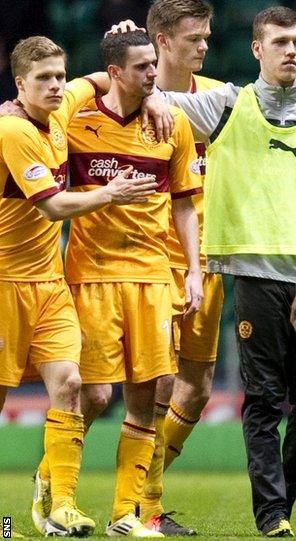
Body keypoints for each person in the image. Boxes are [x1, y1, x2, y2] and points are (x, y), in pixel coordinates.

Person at [144, 5, 296, 538]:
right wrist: (125, 51)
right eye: (280, 42)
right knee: (264, 400)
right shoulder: (227, 105)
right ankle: (273, 517)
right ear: (256, 50)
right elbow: (149, 98)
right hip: (253, 274)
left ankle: (280, 501)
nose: (291, 50)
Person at [0, 35, 158, 537]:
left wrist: (149, 91)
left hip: (49, 282)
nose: (55, 86)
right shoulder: (13, 130)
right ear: (19, 84)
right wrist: (110, 193)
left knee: (72, 385)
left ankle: (59, 507)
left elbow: (102, 76)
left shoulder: (62, 106)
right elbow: (52, 205)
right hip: (4, 284)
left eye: (58, 76)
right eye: (42, 78)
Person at [63, 29, 202, 537]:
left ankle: (125, 515)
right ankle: (53, 493)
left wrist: (192, 272)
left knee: (150, 395)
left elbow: (186, 203)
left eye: (154, 66)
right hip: (94, 276)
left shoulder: (172, 124)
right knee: (94, 396)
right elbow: (49, 99)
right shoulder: (77, 120)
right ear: (115, 73)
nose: (153, 74)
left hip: (152, 278)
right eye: (142, 67)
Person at [137, 0, 224, 536]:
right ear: (162, 41)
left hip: (209, 261)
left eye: (208, 36)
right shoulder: (125, 96)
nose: (205, 45)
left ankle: (138, 493)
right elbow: (53, 99)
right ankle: (146, 510)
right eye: (194, 37)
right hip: (151, 261)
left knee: (197, 388)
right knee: (156, 387)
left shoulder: (218, 98)